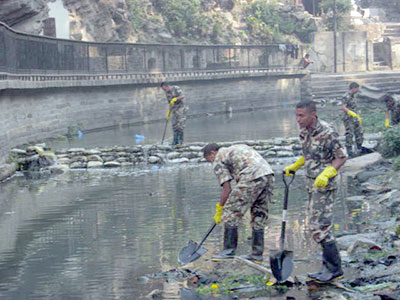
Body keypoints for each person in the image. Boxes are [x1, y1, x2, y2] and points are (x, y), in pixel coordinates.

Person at [284, 101, 347, 283]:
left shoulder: (328, 132)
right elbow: (310, 154)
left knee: (320, 226)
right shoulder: (304, 131)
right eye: (296, 115)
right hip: (311, 181)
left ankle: (335, 269)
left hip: (325, 184)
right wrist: (296, 165)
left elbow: (341, 157)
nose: (298, 119)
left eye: (301, 116)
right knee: (315, 224)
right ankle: (326, 267)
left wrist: (329, 172)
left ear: (313, 114)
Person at [202, 143, 274, 263]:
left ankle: (228, 251)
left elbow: (227, 188)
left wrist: (220, 209)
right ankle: (257, 255)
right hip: (268, 174)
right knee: (259, 214)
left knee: (230, 212)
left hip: (251, 176)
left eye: (208, 160)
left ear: (212, 153)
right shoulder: (236, 148)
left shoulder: (218, 157)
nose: (211, 163)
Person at [341, 82, 363, 157]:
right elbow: (343, 107)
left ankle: (359, 148)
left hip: (355, 118)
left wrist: (358, 115)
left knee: (359, 133)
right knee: (349, 134)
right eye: (357, 89)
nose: (357, 90)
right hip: (349, 118)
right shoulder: (346, 96)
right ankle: (349, 151)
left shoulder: (353, 96)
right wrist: (351, 113)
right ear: (353, 88)